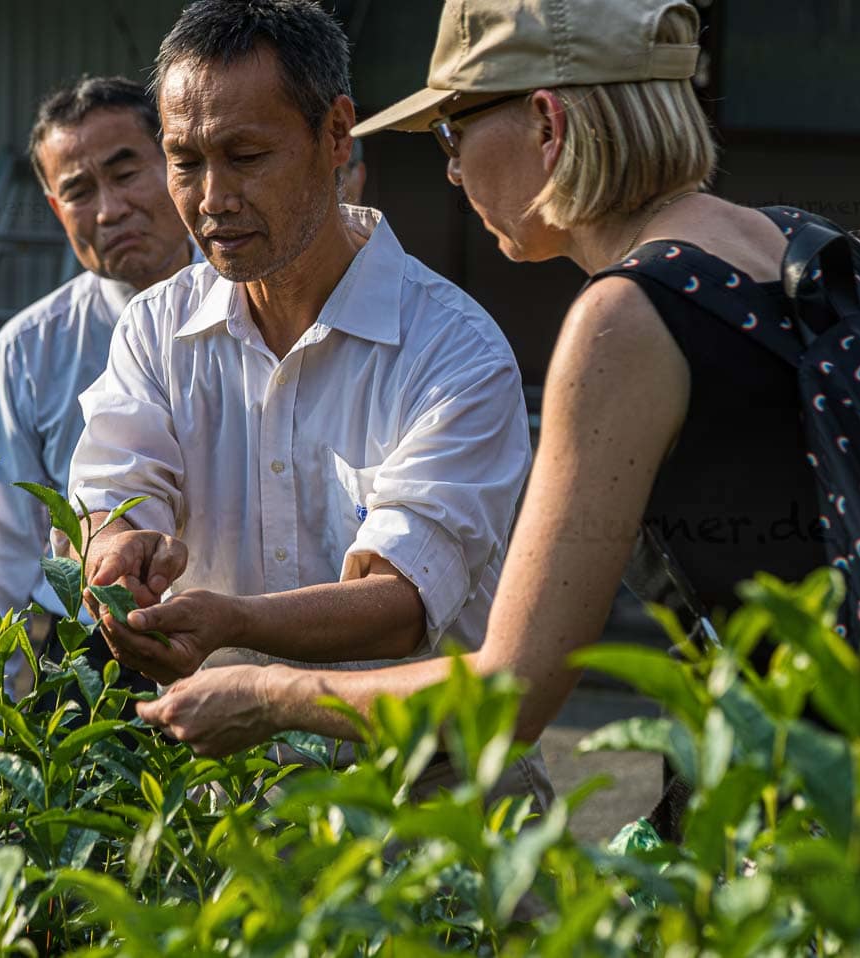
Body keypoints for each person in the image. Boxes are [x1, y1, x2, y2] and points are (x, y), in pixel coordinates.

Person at [135, 0, 860, 762]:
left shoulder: (624, 318)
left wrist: (269, 693)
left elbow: (509, 693)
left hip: (811, 800)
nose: (454, 170)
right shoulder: (806, 246)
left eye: (453, 132)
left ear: (546, 123)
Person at [69, 0, 552, 806]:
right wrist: (115, 550)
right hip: (226, 785)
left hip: (430, 788)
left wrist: (230, 623)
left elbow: (402, 606)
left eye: (246, 155)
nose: (212, 197)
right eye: (184, 162)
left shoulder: (453, 351)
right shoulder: (156, 329)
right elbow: (116, 483)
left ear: (336, 136)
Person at [0, 76, 196, 694]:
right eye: (79, 191)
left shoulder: (259, 306)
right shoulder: (30, 349)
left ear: (175, 164)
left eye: (126, 172)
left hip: (252, 636)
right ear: (57, 210)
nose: (110, 209)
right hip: (99, 662)